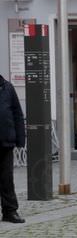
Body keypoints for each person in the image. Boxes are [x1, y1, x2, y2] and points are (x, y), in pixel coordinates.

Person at [0, 72, 26, 223]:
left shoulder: (8, 88)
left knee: (7, 179)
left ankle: (10, 211)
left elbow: (17, 114)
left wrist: (20, 140)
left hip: (5, 142)